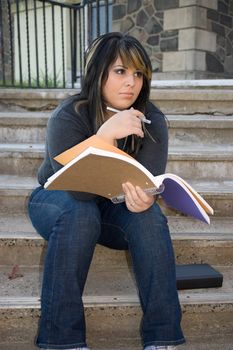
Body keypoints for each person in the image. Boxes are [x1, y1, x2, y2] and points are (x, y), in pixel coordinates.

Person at [28, 32, 185, 350]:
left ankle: (163, 336)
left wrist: (144, 200)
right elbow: (80, 191)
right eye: (120, 71)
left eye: (138, 73)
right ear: (97, 73)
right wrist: (105, 136)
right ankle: (62, 340)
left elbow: (147, 181)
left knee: (150, 218)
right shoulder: (68, 115)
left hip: (113, 207)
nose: (131, 82)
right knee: (80, 211)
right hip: (57, 200)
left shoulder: (151, 119)